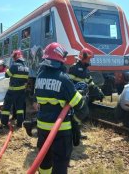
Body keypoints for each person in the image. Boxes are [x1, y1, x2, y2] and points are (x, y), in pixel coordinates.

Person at [34, 42, 88, 173]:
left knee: (44, 160)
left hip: (42, 127)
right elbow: (78, 104)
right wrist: (81, 95)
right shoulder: (63, 79)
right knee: (60, 162)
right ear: (60, 59)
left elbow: (37, 99)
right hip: (61, 130)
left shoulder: (39, 77)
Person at [0, 50, 29, 129]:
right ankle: (19, 124)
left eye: (13, 57)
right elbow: (26, 81)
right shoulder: (26, 68)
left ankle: (4, 123)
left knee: (6, 107)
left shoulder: (14, 66)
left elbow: (7, 75)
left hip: (12, 91)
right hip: (21, 91)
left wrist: (8, 70)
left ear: (16, 57)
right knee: (20, 108)